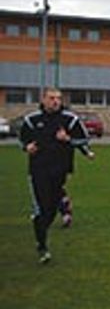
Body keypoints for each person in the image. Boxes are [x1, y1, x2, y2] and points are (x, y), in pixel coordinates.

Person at [19, 88, 93, 261]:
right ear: (43, 99)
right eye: (51, 98)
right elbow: (22, 138)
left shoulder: (70, 119)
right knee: (41, 208)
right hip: (38, 170)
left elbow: (83, 139)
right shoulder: (32, 120)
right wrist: (27, 147)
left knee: (51, 210)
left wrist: (68, 139)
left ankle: (43, 230)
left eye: (58, 98)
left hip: (60, 171)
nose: (55, 101)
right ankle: (43, 247)